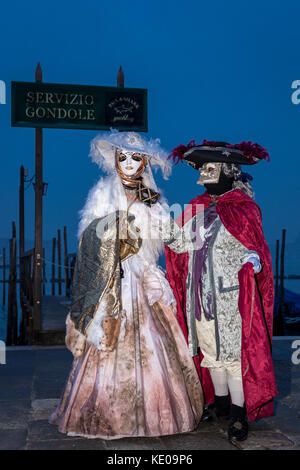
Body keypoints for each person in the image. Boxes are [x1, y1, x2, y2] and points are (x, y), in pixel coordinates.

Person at [49, 130, 203, 440]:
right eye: (123, 157)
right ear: (116, 161)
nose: (129, 163)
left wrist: (198, 239)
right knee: (105, 337)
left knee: (154, 339)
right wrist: (110, 233)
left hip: (141, 275)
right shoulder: (102, 192)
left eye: (136, 157)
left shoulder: (152, 197)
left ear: (145, 161)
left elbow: (169, 233)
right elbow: (86, 235)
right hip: (111, 277)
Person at [164, 139, 278, 443]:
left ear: (228, 171)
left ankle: (239, 413)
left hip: (230, 298)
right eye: (201, 171)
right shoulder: (197, 208)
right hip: (198, 297)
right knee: (210, 352)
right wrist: (157, 220)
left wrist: (252, 259)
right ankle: (221, 404)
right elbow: (180, 244)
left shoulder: (245, 209)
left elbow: (255, 248)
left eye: (209, 169)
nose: (202, 176)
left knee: (232, 355)